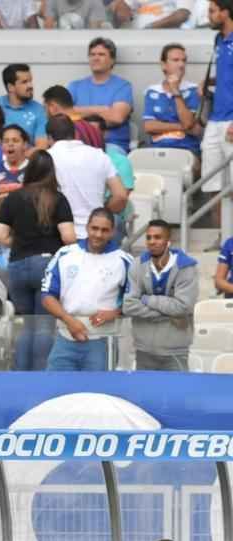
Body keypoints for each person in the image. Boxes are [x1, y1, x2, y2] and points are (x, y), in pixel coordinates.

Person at [0, 150, 77, 371]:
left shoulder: (12, 198)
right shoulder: (57, 199)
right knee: (43, 326)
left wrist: (20, 242)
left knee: (25, 325)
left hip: (18, 265)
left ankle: (21, 375)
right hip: (47, 265)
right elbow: (68, 237)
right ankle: (41, 376)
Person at [41, 209, 132, 372]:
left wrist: (116, 312)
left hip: (102, 341)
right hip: (65, 337)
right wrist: (70, 321)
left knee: (98, 394)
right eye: (94, 228)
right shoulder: (65, 254)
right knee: (56, 392)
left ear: (112, 232)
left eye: (104, 230)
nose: (98, 234)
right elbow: (47, 296)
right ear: (87, 228)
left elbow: (136, 300)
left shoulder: (123, 261)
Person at [122, 219, 198, 372]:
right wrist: (169, 313)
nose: (152, 241)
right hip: (143, 349)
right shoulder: (137, 265)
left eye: (157, 237)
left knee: (177, 395)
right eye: (149, 237)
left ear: (168, 241)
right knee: (144, 395)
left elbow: (183, 307)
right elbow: (128, 306)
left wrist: (146, 299)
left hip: (175, 350)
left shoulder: (186, 266)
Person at [46, 114, 128, 239]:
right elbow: (121, 196)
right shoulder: (100, 156)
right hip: (96, 235)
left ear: (49, 138)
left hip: (59, 235)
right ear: (74, 133)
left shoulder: (46, 157)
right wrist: (102, 212)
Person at [68, 38, 134, 152]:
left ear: (112, 60)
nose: (96, 58)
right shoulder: (75, 86)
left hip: (111, 146)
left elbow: (117, 117)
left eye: (101, 54)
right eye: (92, 54)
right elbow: (64, 114)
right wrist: (101, 109)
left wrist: (80, 114)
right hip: (78, 146)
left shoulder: (123, 86)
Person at [143, 44, 201, 156]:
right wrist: (181, 127)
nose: (181, 64)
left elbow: (188, 123)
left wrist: (175, 90)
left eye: (184, 60)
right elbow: (149, 126)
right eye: (176, 60)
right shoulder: (152, 91)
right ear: (163, 65)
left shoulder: (194, 90)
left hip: (186, 150)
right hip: (156, 150)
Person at [202, 0, 233, 196]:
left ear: (225, 12)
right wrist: (206, 82)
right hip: (215, 118)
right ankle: (222, 229)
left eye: (212, 11)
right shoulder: (218, 39)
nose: (208, 16)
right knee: (211, 185)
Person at [0, 63, 47, 150]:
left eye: (30, 81)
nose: (30, 85)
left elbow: (41, 146)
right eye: (24, 82)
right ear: (11, 87)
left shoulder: (39, 110)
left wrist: (19, 158)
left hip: (27, 160)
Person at [113, 0, 190, 26]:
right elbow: (121, 5)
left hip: (164, 35)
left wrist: (152, 27)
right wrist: (121, 9)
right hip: (133, 35)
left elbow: (183, 14)